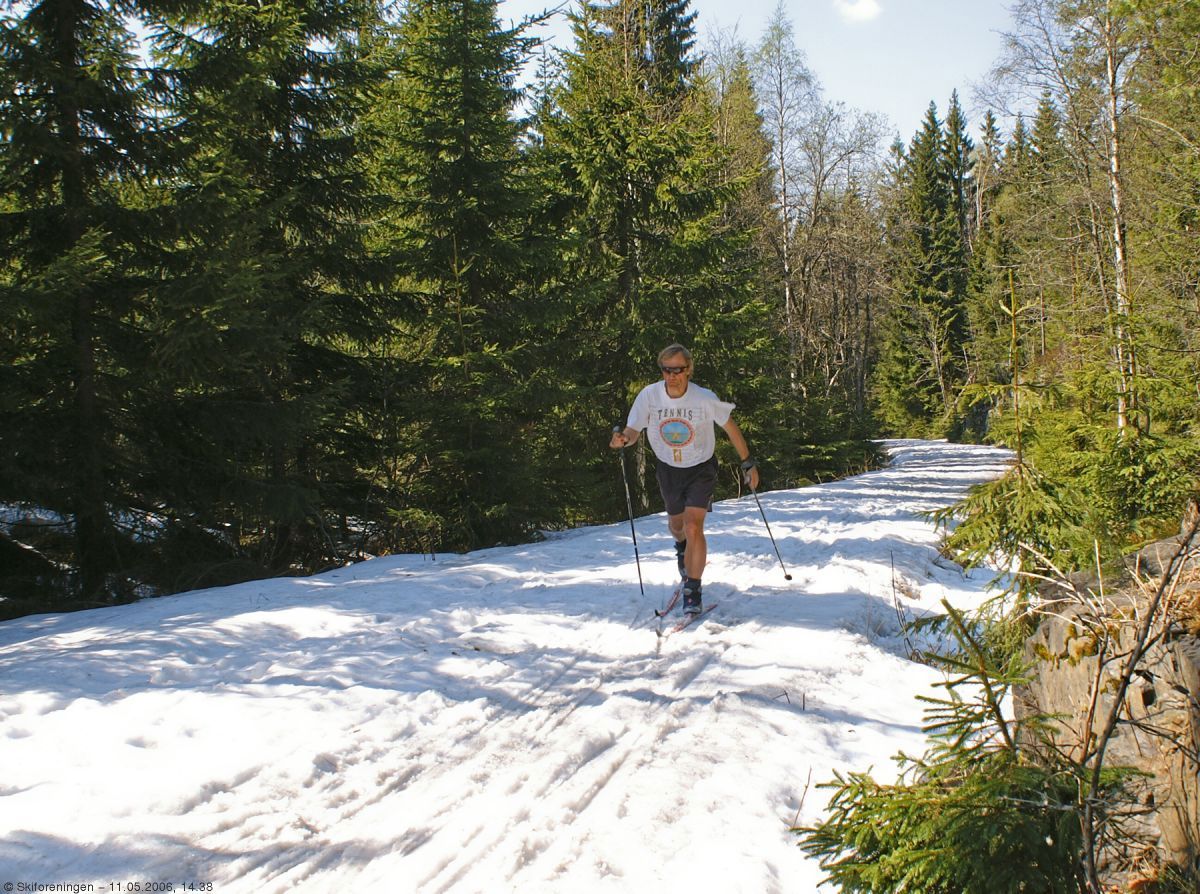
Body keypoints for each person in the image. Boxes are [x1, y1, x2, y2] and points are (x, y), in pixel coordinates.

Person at [609, 344, 759, 614]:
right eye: (666, 370)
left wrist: (748, 463)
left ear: (688, 370)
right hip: (669, 469)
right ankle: (681, 549)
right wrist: (623, 440)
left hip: (701, 468)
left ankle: (693, 588)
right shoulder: (650, 396)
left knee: (693, 526)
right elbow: (633, 429)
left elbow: (731, 428)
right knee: (677, 526)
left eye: (677, 370)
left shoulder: (703, 398)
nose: (671, 375)